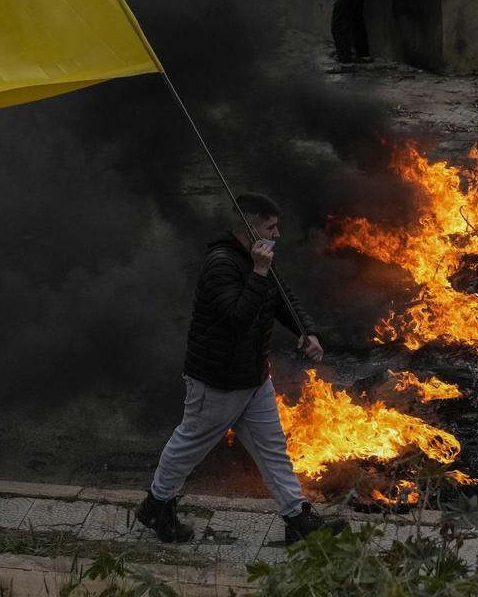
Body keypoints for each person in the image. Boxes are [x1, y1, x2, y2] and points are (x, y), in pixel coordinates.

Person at [136, 194, 349, 545]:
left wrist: (307, 331)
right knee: (189, 445)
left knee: (272, 448)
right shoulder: (221, 264)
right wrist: (259, 272)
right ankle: (157, 506)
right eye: (271, 226)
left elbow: (282, 298)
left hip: (252, 377)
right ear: (250, 227)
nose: (277, 234)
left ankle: (297, 519)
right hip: (217, 381)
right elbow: (237, 319)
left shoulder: (257, 259)